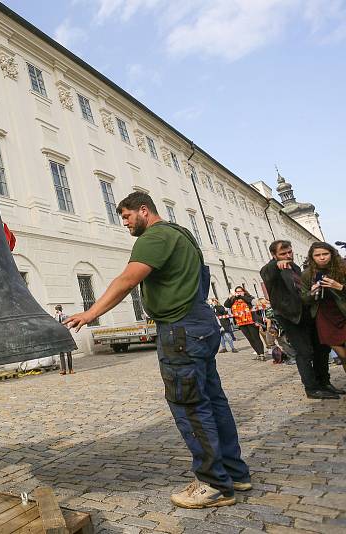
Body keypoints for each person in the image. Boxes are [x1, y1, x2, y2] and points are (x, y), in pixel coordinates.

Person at [64, 192, 250, 509]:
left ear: (144, 210)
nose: (124, 223)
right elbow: (201, 278)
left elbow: (127, 279)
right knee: (213, 400)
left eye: (126, 216)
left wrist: (90, 313)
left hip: (179, 329)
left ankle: (215, 484)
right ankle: (235, 473)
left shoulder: (155, 236)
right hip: (200, 321)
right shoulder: (182, 234)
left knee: (190, 404)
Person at [260, 240, 340, 399]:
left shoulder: (295, 267)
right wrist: (277, 264)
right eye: (283, 254)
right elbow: (266, 273)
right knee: (304, 352)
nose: (288, 256)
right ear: (274, 255)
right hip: (291, 317)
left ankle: (324, 382)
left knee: (321, 349)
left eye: (289, 252)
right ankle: (311, 388)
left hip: (309, 313)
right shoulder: (271, 268)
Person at [301, 242, 346, 376]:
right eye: (317, 255)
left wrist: (341, 287)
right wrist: (312, 292)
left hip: (343, 313)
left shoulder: (343, 268)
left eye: (325, 254)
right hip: (325, 317)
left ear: (331, 254)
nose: (322, 258)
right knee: (343, 356)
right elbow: (303, 299)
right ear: (312, 257)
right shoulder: (308, 274)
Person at [224, 287, 265, 357]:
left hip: (251, 321)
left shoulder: (248, 297)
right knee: (250, 338)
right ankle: (258, 353)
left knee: (255, 337)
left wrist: (242, 296)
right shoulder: (234, 299)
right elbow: (226, 305)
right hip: (241, 322)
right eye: (237, 291)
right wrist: (230, 297)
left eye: (240, 291)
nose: (238, 293)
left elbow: (251, 301)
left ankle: (261, 353)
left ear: (244, 291)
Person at [53, 305, 74, 374]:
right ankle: (63, 370)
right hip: (59, 336)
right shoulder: (55, 317)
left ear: (61, 309)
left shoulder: (65, 316)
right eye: (56, 309)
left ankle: (71, 369)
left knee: (68, 353)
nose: (57, 311)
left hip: (66, 335)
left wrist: (60, 315)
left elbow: (69, 320)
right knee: (61, 353)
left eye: (58, 309)